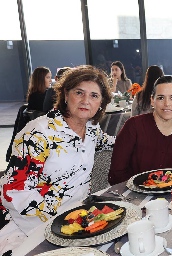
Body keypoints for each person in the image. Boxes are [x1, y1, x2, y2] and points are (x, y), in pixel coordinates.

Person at [0, 65, 114, 252]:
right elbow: (13, 192)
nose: (86, 100)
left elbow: (112, 143)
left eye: (94, 96)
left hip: (76, 220)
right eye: (79, 92)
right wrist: (58, 226)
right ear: (66, 94)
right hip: (28, 227)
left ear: (101, 103)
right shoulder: (39, 133)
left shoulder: (92, 130)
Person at [108, 76, 172, 185]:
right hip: (131, 195)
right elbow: (116, 173)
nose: (167, 104)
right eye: (161, 98)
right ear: (152, 101)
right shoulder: (134, 126)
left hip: (169, 197)